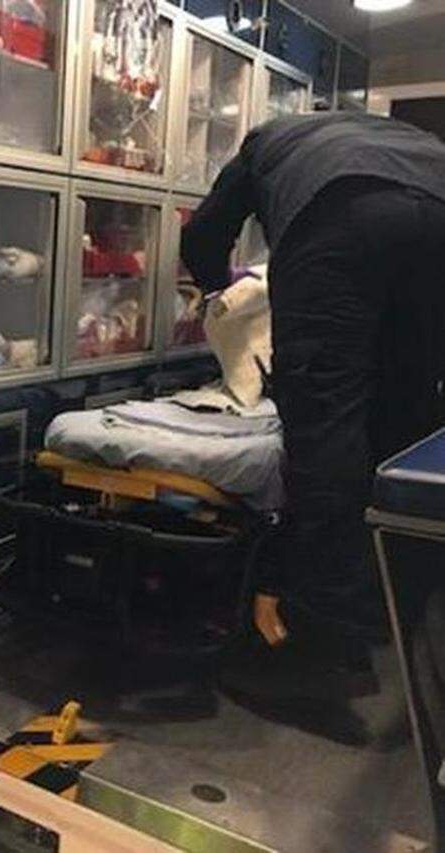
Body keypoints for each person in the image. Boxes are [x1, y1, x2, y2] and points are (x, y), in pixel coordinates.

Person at [181, 111, 445, 731]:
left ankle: (326, 649)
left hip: (342, 217)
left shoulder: (267, 140)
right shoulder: (404, 139)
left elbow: (205, 236)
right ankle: (390, 603)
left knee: (325, 426)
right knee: (405, 417)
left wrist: (218, 297)